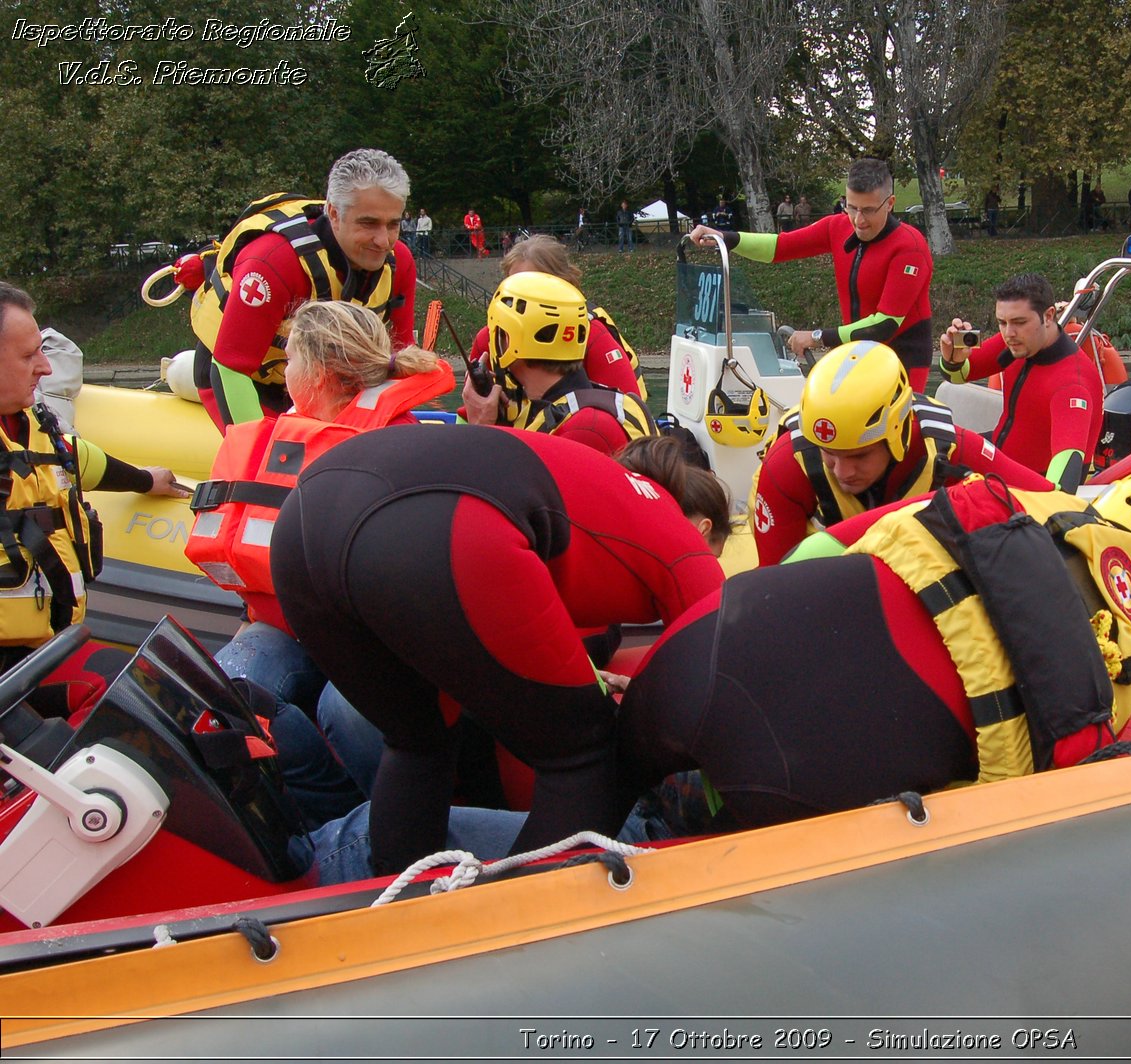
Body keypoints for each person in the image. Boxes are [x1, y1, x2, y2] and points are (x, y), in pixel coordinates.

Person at [617, 467, 1131, 833]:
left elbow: (828, 547)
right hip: (812, 773)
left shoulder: (1030, 499)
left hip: (727, 635)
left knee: (604, 773)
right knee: (657, 836)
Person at [270, 424, 727, 874]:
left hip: (304, 519)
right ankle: (514, 927)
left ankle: (401, 910)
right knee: (586, 753)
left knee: (419, 741)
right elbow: (727, 670)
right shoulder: (684, 541)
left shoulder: (597, 487)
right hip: (441, 527)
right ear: (704, 528)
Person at [185, 301, 456, 827]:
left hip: (381, 639)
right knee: (232, 687)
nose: (281, 373)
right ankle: (326, 818)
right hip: (290, 628)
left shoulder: (402, 442)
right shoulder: (287, 434)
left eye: (288, 359)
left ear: (318, 372)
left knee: (346, 709)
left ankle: (408, 826)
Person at [0, 282, 189, 698]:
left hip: (48, 647)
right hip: (10, 675)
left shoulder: (29, 423)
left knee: (157, 686)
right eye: (29, 355)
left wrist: (145, 479)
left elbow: (75, 460)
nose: (46, 368)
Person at [746, 341, 1053, 566]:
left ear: (897, 434)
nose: (841, 471)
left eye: (859, 456)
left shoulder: (947, 446)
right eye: (830, 454)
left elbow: (1047, 498)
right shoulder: (788, 463)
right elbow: (772, 585)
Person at [185, 148, 417, 430]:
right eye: (368, 223)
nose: (384, 241)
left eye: (393, 225)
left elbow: (399, 360)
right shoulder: (272, 263)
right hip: (251, 381)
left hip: (328, 386)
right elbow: (230, 370)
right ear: (333, 213)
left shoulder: (399, 262)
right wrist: (257, 461)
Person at [688, 158, 937, 391]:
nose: (859, 220)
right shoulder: (837, 227)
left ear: (890, 203)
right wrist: (727, 238)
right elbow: (779, 247)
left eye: (869, 210)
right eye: (851, 207)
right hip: (858, 354)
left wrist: (817, 337)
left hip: (903, 360)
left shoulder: (910, 248)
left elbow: (885, 324)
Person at [938, 274, 1105, 491]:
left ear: (1048, 316)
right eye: (1002, 322)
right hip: (997, 459)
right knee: (928, 442)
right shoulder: (1019, 342)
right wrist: (953, 358)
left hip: (1023, 489)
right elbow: (957, 375)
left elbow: (1061, 486)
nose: (1009, 333)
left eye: (1019, 322)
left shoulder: (1073, 384)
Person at [462, 272, 654, 454]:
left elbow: (503, 487)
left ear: (510, 339)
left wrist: (481, 430)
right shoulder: (578, 407)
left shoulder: (586, 430)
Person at [467, 234, 646, 398]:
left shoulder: (589, 336)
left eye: (533, 286)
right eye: (514, 286)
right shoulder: (490, 338)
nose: (520, 296)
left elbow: (630, 415)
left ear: (564, 285)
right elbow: (466, 415)